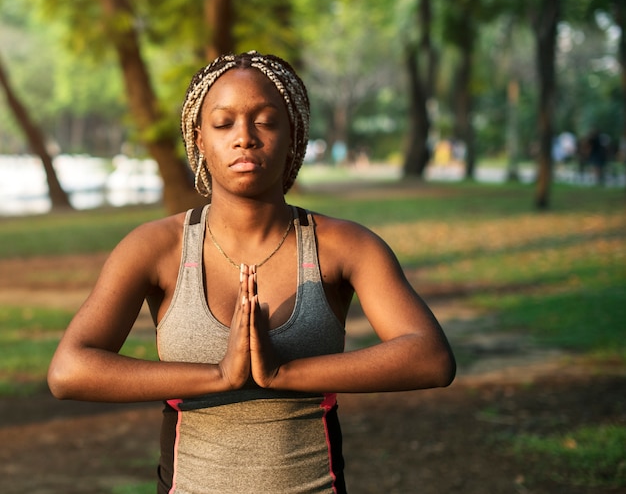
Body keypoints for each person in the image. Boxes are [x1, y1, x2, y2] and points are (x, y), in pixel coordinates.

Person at [48, 51, 456, 494]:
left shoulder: (344, 246)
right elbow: (69, 370)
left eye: (265, 121)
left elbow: (430, 358)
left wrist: (286, 374)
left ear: (292, 132)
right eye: (224, 124)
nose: (244, 138)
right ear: (200, 139)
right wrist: (218, 376)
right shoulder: (157, 248)